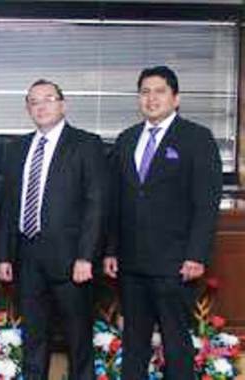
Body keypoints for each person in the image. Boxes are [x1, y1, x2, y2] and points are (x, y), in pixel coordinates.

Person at [103, 65, 222, 379]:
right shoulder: (127, 140)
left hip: (176, 263)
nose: (151, 98)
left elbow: (206, 204)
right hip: (131, 263)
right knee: (134, 343)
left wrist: (196, 255)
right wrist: (111, 249)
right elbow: (116, 202)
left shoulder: (197, 138)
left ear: (176, 98)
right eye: (145, 92)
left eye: (159, 91)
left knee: (176, 343)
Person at [0, 79, 106, 380]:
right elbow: (8, 205)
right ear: (27, 108)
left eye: (48, 99)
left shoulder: (86, 144)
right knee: (34, 335)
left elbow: (96, 204)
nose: (41, 106)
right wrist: (4, 255)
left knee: (78, 337)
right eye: (34, 101)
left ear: (63, 104)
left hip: (72, 260)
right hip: (27, 257)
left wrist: (86, 256)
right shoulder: (16, 149)